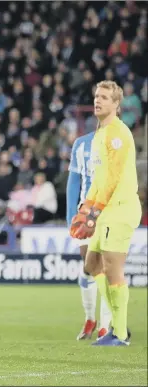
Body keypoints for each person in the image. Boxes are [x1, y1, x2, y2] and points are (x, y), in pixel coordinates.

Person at [70, 80, 141, 346]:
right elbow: (99, 179)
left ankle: (119, 334)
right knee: (92, 265)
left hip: (120, 209)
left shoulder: (117, 134)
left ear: (116, 104)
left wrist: (94, 211)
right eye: (96, 96)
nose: (98, 100)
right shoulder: (100, 134)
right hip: (104, 211)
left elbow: (112, 178)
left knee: (113, 269)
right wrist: (87, 206)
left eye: (104, 97)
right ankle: (114, 327)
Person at [67, 131, 112, 340]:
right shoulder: (81, 144)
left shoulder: (121, 142)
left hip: (111, 212)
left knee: (105, 268)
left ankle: (104, 326)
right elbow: (73, 182)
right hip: (86, 215)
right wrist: (70, 217)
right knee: (89, 267)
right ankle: (90, 319)